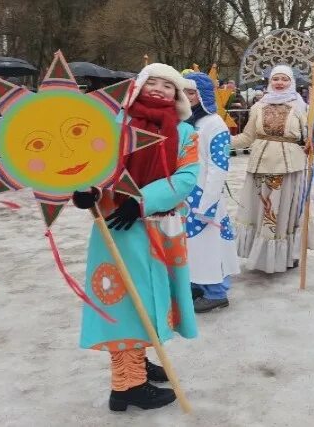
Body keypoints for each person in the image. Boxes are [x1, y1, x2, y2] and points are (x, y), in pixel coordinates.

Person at [71, 63, 199, 411]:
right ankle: (126, 386)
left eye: (168, 86)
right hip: (117, 224)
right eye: (152, 82)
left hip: (160, 226)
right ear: (139, 88)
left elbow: (187, 177)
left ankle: (137, 361)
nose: (159, 89)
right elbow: (95, 167)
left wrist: (142, 201)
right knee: (126, 300)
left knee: (150, 298)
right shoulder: (115, 127)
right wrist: (87, 192)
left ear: (178, 95)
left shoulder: (186, 133)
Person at [231, 64, 314, 273]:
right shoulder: (258, 107)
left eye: (284, 79)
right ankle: (259, 254)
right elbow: (247, 137)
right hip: (260, 164)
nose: (280, 83)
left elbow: (309, 138)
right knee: (263, 209)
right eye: (276, 79)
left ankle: (284, 255)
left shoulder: (302, 107)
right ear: (270, 82)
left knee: (281, 211)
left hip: (289, 167)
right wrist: (217, 139)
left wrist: (312, 141)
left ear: (292, 82)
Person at [182, 71, 240, 313]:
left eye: (192, 92)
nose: (187, 96)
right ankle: (197, 284)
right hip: (187, 194)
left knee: (209, 244)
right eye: (183, 92)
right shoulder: (187, 121)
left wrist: (208, 203)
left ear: (203, 94)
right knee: (192, 246)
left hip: (205, 195)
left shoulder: (214, 124)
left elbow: (219, 167)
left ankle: (216, 292)